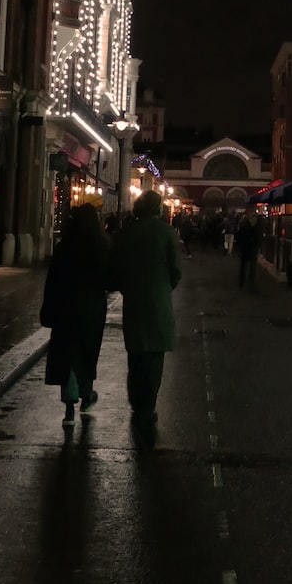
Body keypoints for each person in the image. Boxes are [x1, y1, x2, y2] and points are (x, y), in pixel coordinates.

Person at [109, 190, 182, 444]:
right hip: (158, 304)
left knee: (136, 356)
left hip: (134, 304)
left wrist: (128, 287)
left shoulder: (127, 233)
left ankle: (135, 401)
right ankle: (147, 408)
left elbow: (115, 267)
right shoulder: (167, 233)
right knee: (154, 361)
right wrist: (162, 287)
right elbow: (175, 270)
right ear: (158, 208)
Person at [40, 204, 111, 429]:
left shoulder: (64, 248)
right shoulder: (100, 247)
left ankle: (69, 408)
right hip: (91, 308)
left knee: (67, 355)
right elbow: (109, 279)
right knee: (87, 353)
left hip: (65, 308)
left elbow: (52, 281)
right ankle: (86, 394)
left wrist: (48, 308)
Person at [236, 209, 261, 291]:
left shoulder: (251, 228)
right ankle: (244, 283)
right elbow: (240, 237)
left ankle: (249, 283)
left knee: (250, 267)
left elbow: (258, 239)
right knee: (246, 267)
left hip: (250, 249)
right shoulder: (248, 228)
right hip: (247, 248)